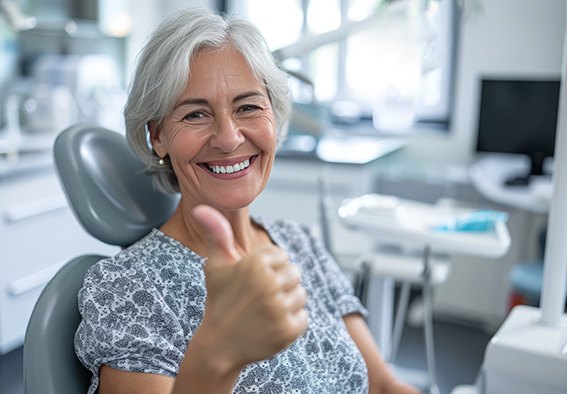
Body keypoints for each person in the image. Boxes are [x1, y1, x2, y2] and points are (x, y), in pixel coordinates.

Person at [74, 7, 421, 394]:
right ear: (158, 136)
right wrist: (219, 351)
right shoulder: (127, 287)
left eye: (248, 107)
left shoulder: (299, 244)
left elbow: (385, 385)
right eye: (196, 114)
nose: (228, 137)